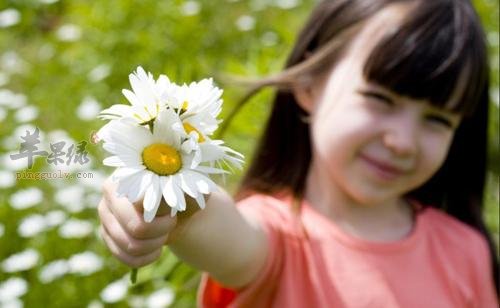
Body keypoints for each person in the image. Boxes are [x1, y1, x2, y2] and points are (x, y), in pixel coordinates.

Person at [98, 0, 499, 307]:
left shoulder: (466, 251)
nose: (403, 141)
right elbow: (221, 231)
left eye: (438, 120)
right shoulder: (277, 239)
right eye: (380, 98)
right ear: (309, 85)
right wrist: (173, 205)